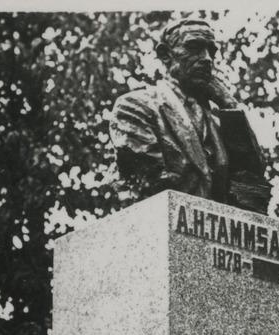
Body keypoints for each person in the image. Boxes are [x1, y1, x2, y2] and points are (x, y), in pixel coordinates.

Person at [109, 17, 270, 212]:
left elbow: (252, 190)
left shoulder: (221, 123)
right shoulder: (136, 108)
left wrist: (229, 105)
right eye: (194, 47)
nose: (207, 59)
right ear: (166, 55)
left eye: (211, 51)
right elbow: (152, 190)